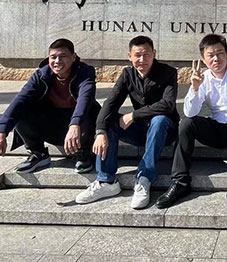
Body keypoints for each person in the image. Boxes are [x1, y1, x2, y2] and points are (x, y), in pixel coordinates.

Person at [156, 34, 227, 212]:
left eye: (220, 53)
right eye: (211, 55)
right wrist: (194, 87)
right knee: (186, 123)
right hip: (216, 129)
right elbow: (190, 112)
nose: (216, 59)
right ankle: (180, 182)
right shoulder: (203, 78)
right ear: (204, 59)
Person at [75, 36, 178, 208]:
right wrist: (100, 132)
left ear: (154, 54)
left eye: (146, 54)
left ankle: (144, 178)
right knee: (110, 120)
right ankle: (106, 181)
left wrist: (134, 115)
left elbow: (167, 105)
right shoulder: (127, 74)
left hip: (164, 131)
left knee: (159, 120)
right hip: (140, 131)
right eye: (137, 55)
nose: (142, 59)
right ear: (129, 56)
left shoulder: (168, 72)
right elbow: (110, 104)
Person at [0, 38, 98, 173]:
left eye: (63, 56)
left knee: (88, 109)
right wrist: (0, 132)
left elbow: (85, 98)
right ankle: (38, 153)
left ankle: (84, 152)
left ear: (73, 57)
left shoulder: (85, 72)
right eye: (53, 57)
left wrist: (75, 124)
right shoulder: (41, 75)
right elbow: (19, 101)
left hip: (80, 128)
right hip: (51, 124)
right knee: (22, 109)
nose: (57, 61)